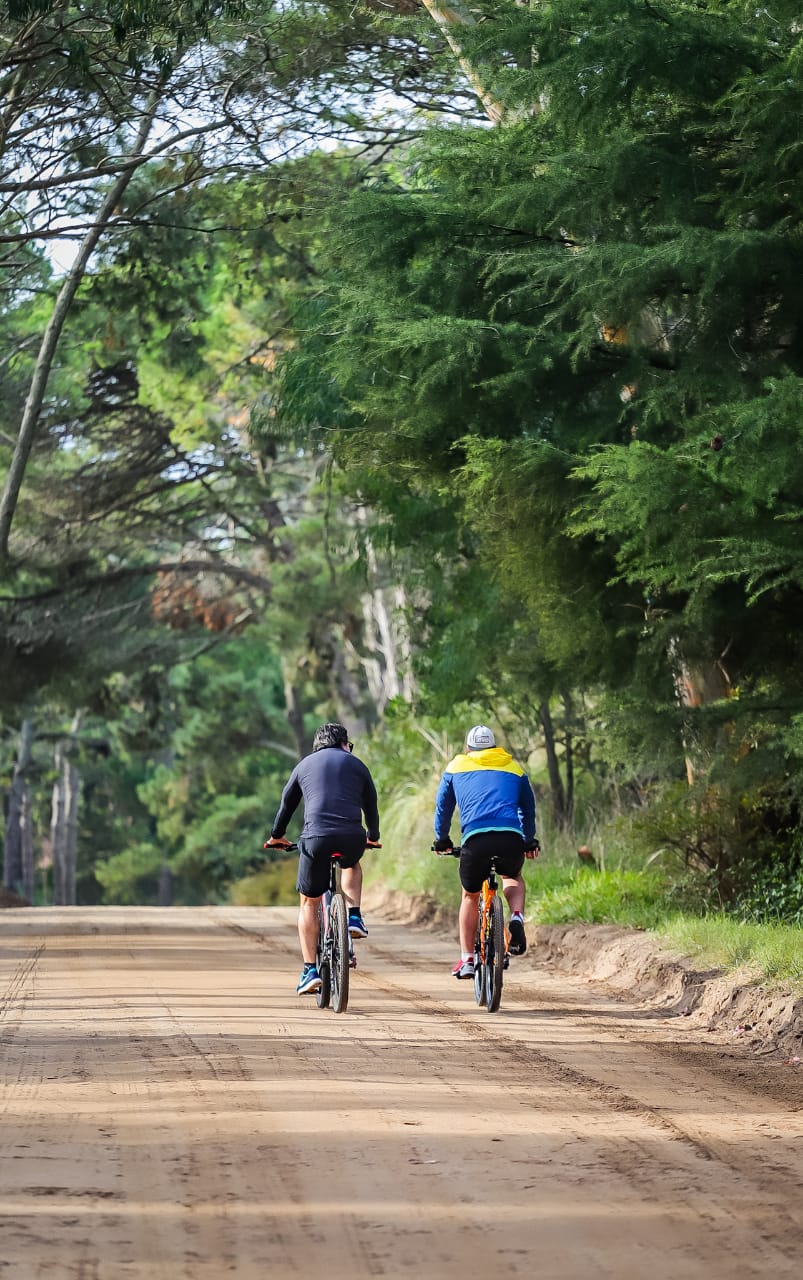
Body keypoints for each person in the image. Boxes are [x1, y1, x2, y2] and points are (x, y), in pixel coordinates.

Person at [265, 723, 381, 995]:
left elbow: (287, 804)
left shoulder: (304, 765)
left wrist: (277, 836)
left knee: (309, 900)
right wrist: (372, 835)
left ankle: (309, 970)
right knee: (351, 863)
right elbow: (371, 803)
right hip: (352, 836)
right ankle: (353, 917)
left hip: (315, 839)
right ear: (344, 744)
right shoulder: (357, 764)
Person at [433, 724, 538, 979]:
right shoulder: (513, 768)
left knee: (470, 895)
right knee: (512, 877)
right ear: (493, 747)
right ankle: (516, 917)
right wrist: (529, 840)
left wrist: (442, 839)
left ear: (468, 748)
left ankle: (467, 960)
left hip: (475, 840)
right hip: (510, 838)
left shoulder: (456, 767)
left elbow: (443, 807)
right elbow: (528, 807)